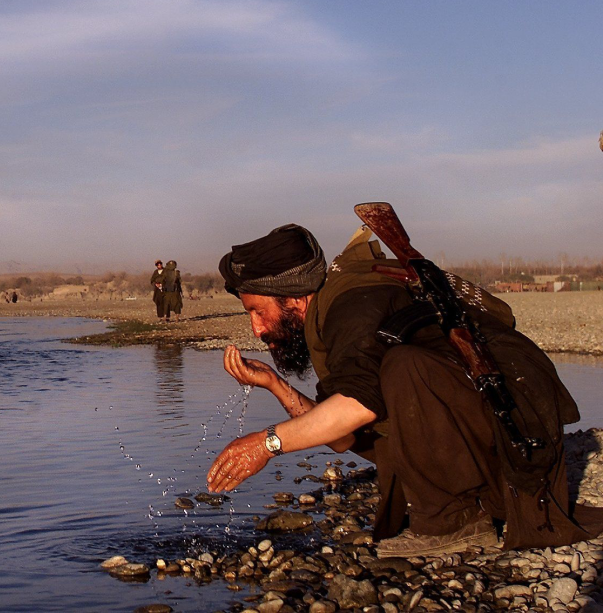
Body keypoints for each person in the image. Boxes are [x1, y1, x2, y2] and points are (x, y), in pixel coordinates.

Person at [206, 222, 603, 557]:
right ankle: (461, 507)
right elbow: (343, 435)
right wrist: (275, 385)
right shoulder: (333, 310)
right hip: (488, 425)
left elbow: (357, 405)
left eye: (257, 311)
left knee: (403, 369)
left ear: (292, 297)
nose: (256, 329)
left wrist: (266, 444)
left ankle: (456, 522)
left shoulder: (354, 305)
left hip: (517, 430)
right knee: (376, 396)